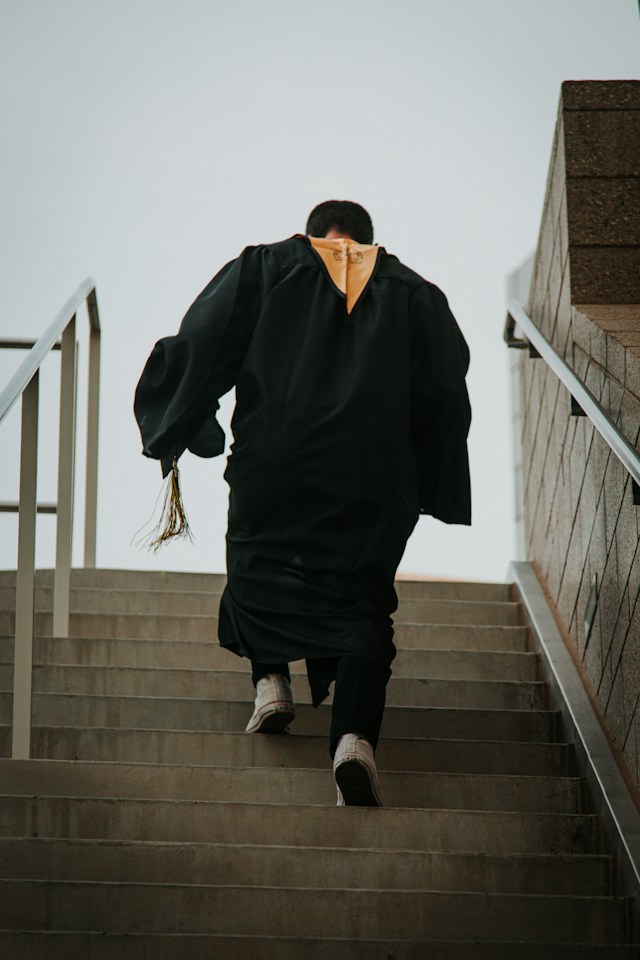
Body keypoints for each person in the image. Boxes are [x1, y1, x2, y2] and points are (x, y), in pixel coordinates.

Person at [134, 200, 471, 806]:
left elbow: (203, 342)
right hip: (371, 479)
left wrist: (186, 421)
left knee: (257, 565)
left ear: (314, 233)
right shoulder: (414, 294)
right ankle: (354, 741)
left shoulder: (268, 267)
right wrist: (422, 475)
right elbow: (445, 389)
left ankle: (270, 683)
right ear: (369, 240)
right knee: (362, 597)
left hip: (274, 462)